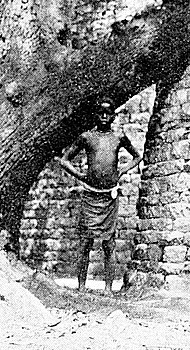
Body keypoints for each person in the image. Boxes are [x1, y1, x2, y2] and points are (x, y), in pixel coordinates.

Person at [56, 97, 141, 293]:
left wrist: (122, 170)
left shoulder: (118, 137)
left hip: (109, 197)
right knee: (85, 242)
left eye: (108, 113)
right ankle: (81, 287)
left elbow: (137, 156)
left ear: (113, 116)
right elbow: (64, 160)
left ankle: (108, 288)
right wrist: (80, 175)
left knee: (109, 244)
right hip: (90, 196)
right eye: (100, 113)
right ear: (95, 115)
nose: (104, 116)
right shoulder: (87, 137)